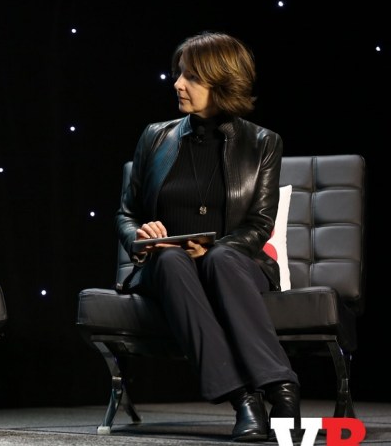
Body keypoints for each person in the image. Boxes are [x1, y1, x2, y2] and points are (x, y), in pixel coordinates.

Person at [114, 31, 300, 442]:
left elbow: (260, 222)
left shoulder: (263, 142)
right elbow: (127, 215)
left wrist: (214, 246)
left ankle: (282, 392)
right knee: (171, 260)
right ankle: (244, 401)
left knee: (219, 259)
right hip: (164, 266)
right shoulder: (155, 136)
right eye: (180, 74)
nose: (177, 84)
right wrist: (141, 236)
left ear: (223, 81)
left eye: (191, 77)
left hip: (234, 262)